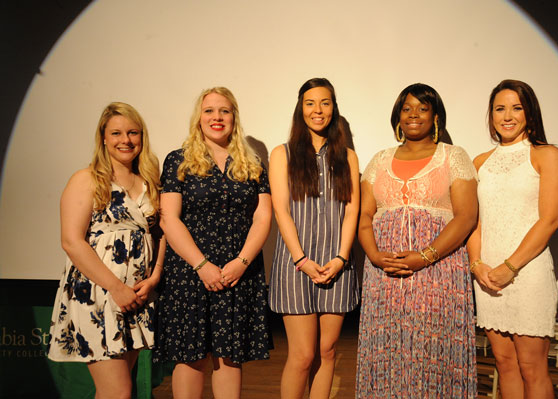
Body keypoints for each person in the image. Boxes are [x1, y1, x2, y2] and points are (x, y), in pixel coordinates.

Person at [356, 83, 478, 398]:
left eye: (423, 108)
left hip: (439, 272)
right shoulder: (379, 160)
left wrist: (423, 257)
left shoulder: (454, 156)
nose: (414, 115)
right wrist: (375, 255)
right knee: (389, 349)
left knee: (434, 351)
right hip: (384, 276)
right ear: (398, 115)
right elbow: (365, 217)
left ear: (435, 116)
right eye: (407, 108)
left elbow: (465, 217)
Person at [153, 87, 271, 399]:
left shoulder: (253, 163)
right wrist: (202, 266)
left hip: (238, 271)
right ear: (198, 118)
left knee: (230, 357)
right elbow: (169, 219)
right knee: (190, 357)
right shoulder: (178, 160)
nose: (216, 117)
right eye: (209, 111)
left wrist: (241, 263)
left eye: (224, 111)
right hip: (190, 273)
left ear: (234, 118)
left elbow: (262, 218)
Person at [47, 102, 164, 399]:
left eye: (132, 132)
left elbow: (160, 234)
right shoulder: (86, 180)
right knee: (118, 391)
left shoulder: (150, 181)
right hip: (99, 294)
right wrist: (115, 288)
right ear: (103, 138)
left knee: (118, 390)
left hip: (138, 295)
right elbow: (72, 242)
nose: (125, 140)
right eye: (116, 133)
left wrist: (154, 278)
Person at [467, 79, 558, 398]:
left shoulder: (546, 155)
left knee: (532, 367)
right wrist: (477, 264)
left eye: (516, 107)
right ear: (491, 115)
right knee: (504, 364)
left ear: (529, 113)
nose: (507, 115)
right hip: (488, 279)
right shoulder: (480, 162)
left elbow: (548, 220)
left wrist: (510, 267)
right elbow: (475, 223)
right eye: (500, 108)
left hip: (527, 275)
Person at [268, 77, 360, 399]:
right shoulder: (283, 154)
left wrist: (340, 259)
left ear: (334, 108)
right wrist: (302, 260)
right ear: (300, 108)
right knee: (303, 355)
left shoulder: (347, 156)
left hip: (337, 265)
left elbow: (351, 212)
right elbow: (281, 211)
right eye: (310, 103)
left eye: (325, 102)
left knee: (328, 350)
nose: (318, 110)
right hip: (297, 266)